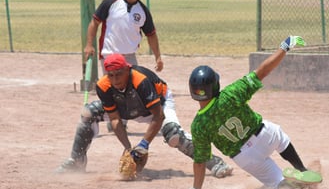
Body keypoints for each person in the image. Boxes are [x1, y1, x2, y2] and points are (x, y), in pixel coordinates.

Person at [56, 54, 233, 179]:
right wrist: (128, 149)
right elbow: (116, 119)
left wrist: (143, 145)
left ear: (127, 69)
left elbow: (158, 116)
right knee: (88, 113)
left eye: (119, 74)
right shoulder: (104, 85)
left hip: (157, 105)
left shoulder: (140, 80)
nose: (115, 79)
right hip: (125, 106)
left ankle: (214, 162)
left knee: (173, 135)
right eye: (111, 75)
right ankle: (76, 161)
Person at [186, 36, 322, 189]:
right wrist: (284, 47)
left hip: (246, 158)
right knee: (280, 137)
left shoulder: (198, 125)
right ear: (215, 86)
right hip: (265, 135)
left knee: (277, 185)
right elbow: (263, 71)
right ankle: (301, 169)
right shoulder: (230, 94)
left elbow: (200, 162)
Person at [84, 0, 163, 131]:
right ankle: (111, 119)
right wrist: (89, 44)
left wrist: (158, 57)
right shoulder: (110, 3)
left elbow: (151, 35)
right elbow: (94, 23)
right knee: (112, 88)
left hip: (129, 56)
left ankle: (122, 121)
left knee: (130, 90)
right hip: (109, 54)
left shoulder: (142, 11)